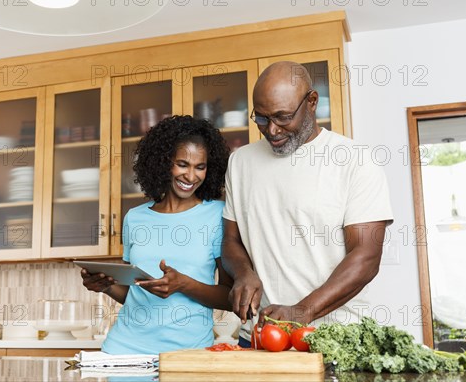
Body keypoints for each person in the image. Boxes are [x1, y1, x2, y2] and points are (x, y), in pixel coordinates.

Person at [221, 61, 393, 348]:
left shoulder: (355, 161)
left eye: (283, 117)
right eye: (262, 118)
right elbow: (230, 240)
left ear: (312, 102)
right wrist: (243, 273)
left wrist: (302, 311)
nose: (272, 130)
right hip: (261, 337)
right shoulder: (240, 162)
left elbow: (365, 257)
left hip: (335, 337)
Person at [81, 115, 233, 354]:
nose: (191, 176)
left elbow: (230, 297)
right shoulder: (135, 217)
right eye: (182, 164)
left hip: (187, 354)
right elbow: (135, 292)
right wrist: (105, 286)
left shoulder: (217, 215)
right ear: (163, 162)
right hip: (124, 349)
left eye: (200, 167)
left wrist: (183, 284)